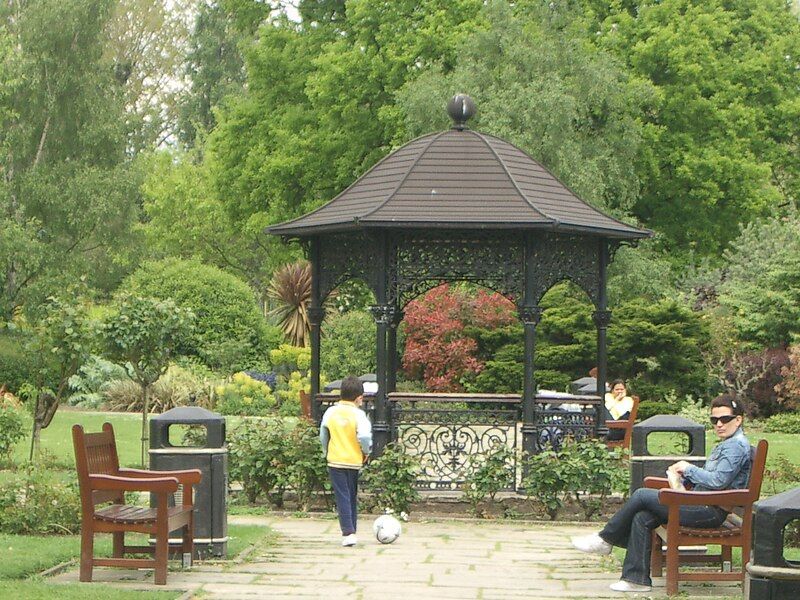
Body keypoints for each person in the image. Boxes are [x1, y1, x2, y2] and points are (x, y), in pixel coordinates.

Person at [571, 393, 751, 593]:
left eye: (724, 419)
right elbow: (716, 480)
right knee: (642, 516)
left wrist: (688, 468)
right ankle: (635, 579)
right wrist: (685, 479)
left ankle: (605, 539)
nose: (719, 424)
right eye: (714, 420)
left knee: (641, 495)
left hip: (710, 511)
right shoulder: (730, 444)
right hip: (703, 504)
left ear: (738, 419)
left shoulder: (735, 447)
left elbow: (718, 481)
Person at [319, 375, 373, 547]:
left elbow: (323, 434)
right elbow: (364, 436)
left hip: (335, 460)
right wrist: (366, 451)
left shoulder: (330, 412)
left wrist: (326, 450)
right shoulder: (359, 415)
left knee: (342, 495)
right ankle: (351, 530)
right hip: (354, 460)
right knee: (351, 494)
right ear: (359, 398)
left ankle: (348, 532)